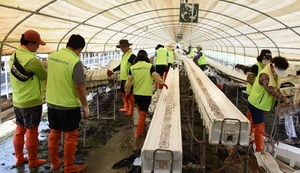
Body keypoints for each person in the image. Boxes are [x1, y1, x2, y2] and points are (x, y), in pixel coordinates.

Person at [46, 34, 90, 172]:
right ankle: (69, 167)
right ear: (79, 49)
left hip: (52, 102)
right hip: (68, 105)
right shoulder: (75, 61)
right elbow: (79, 86)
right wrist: (85, 106)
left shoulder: (52, 56)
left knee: (54, 134)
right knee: (70, 137)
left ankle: (55, 163)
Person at [9, 30, 48, 167]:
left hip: (18, 100)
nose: (38, 47)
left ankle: (19, 158)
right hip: (31, 100)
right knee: (32, 130)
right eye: (37, 44)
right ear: (30, 44)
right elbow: (44, 76)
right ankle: (33, 160)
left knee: (20, 129)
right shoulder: (31, 60)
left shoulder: (14, 55)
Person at [248, 56, 290, 152]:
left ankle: (247, 137)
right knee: (259, 125)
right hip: (256, 103)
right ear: (273, 66)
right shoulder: (264, 75)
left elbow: (276, 88)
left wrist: (282, 95)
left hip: (259, 103)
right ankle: (259, 149)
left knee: (252, 121)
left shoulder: (274, 75)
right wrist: (284, 99)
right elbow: (270, 90)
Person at [125, 50, 168, 139]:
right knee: (143, 114)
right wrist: (162, 83)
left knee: (140, 109)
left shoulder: (133, 67)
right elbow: (155, 75)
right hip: (146, 94)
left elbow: (128, 81)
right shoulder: (149, 66)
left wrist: (127, 91)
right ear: (146, 57)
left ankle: (142, 124)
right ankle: (137, 135)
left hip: (136, 93)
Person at [245, 49, 272, 141]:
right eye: (266, 59)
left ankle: (254, 131)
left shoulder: (268, 68)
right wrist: (260, 85)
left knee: (257, 114)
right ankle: (248, 133)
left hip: (259, 96)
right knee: (251, 114)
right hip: (253, 94)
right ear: (261, 58)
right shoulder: (256, 67)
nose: (267, 61)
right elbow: (249, 79)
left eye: (269, 59)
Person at [107, 39, 136, 116]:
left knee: (129, 94)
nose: (121, 49)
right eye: (120, 47)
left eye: (122, 47)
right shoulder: (124, 55)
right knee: (123, 93)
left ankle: (131, 109)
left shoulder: (132, 56)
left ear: (127, 47)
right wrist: (112, 70)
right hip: (123, 78)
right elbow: (121, 66)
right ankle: (126, 106)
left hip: (129, 79)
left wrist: (131, 77)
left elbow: (134, 67)